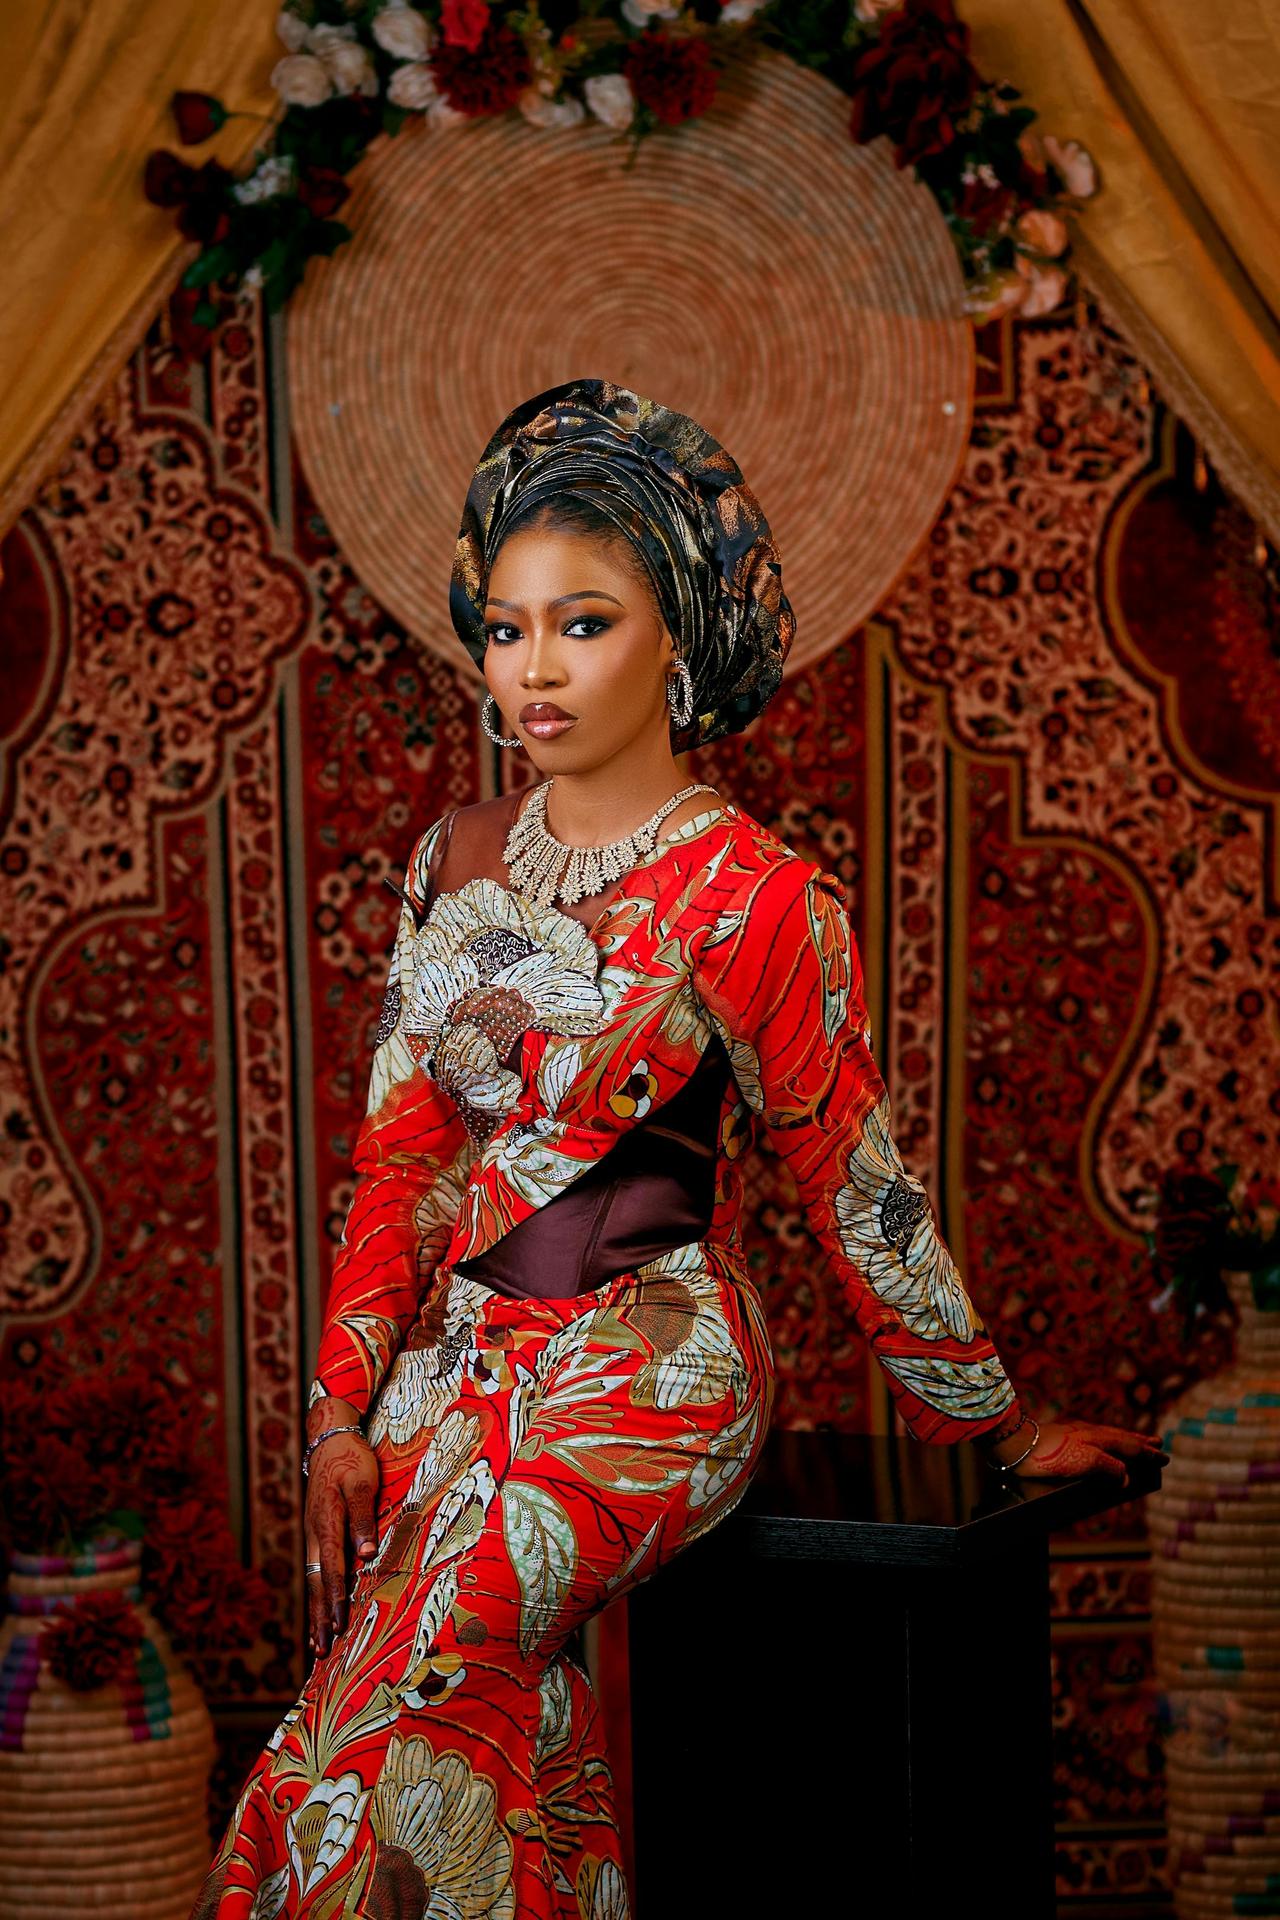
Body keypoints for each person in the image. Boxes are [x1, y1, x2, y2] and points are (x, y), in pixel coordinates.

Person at [192, 378, 1164, 1918]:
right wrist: (336, 1416)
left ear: (678, 634)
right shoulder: (450, 857)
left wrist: (1001, 1421)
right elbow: (401, 1164)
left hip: (647, 1363)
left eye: (583, 623)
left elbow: (860, 1182)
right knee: (392, 1683)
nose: (534, 671)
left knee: (438, 1654)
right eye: (507, 629)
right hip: (457, 1368)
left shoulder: (765, 898)